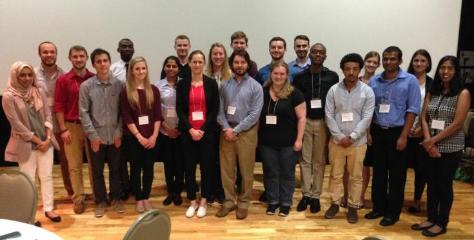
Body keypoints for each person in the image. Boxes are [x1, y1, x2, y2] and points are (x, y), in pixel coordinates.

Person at [412, 56, 470, 237]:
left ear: (456, 71)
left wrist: (432, 142)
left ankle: (441, 223)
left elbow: (458, 123)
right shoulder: (433, 90)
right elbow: (424, 117)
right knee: (431, 184)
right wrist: (429, 141)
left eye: (449, 68)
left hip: (450, 147)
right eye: (442, 68)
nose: (445, 72)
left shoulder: (463, 93)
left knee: (444, 185)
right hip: (430, 146)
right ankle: (431, 218)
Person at [365, 46, 421, 226]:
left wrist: (404, 136)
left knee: (397, 175)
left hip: (398, 132)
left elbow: (412, 109)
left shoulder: (410, 81)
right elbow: (369, 108)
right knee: (379, 172)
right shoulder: (374, 81)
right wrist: (368, 132)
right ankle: (378, 207)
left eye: (393, 59)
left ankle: (393, 212)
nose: (389, 62)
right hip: (377, 131)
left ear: (400, 60)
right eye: (386, 59)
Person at [2, 61, 61, 223]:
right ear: (15, 76)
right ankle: (29, 214)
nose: (27, 78)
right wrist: (37, 141)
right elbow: (17, 125)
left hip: (45, 142)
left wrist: (48, 139)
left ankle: (49, 209)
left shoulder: (38, 91)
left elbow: (48, 115)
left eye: (29, 75)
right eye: (23, 75)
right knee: (28, 180)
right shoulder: (9, 96)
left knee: (47, 176)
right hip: (26, 144)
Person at [324, 53, 375, 223]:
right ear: (343, 70)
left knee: (356, 176)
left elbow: (367, 117)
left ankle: (353, 206)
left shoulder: (367, 92)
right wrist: (339, 137)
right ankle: (335, 203)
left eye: (354, 69)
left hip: (357, 143)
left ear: (359, 70)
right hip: (337, 143)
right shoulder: (333, 90)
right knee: (335, 175)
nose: (351, 72)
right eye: (347, 69)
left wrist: (352, 137)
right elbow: (329, 115)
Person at [216, 50, 263, 220]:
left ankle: (243, 203)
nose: (239, 65)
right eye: (236, 62)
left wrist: (235, 131)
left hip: (246, 134)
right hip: (226, 132)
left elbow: (254, 114)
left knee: (246, 171)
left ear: (247, 64)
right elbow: (219, 111)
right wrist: (227, 129)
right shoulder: (225, 85)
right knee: (227, 171)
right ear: (231, 64)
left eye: (243, 62)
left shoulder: (256, 87)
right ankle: (229, 201)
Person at [293, 43, 339, 214]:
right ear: (310, 54)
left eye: (321, 52)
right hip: (305, 121)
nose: (317, 54)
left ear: (325, 56)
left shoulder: (332, 76)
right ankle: (305, 194)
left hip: (323, 122)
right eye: (315, 51)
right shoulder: (299, 77)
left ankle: (316, 196)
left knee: (319, 161)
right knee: (305, 160)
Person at [79, 48, 124, 217]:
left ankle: (116, 198)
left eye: (105, 60)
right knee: (97, 172)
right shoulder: (86, 86)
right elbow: (83, 113)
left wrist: (119, 132)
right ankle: (101, 201)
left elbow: (123, 112)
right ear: (93, 64)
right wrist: (93, 136)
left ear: (110, 62)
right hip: (96, 137)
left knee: (116, 169)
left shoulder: (120, 85)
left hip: (115, 136)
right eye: (99, 61)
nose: (102, 64)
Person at [259, 62, 306, 217]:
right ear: (270, 74)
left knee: (287, 173)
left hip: (288, 142)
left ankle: (285, 203)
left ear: (287, 76)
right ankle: (273, 201)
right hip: (267, 142)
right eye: (276, 73)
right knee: (270, 172)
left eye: (282, 74)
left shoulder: (295, 93)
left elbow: (301, 118)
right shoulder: (263, 92)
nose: (278, 77)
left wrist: (299, 140)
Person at [176, 50, 219, 218]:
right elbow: (179, 109)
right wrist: (190, 129)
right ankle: (192, 200)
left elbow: (214, 109)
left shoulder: (211, 83)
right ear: (190, 64)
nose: (197, 65)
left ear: (204, 64)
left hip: (206, 133)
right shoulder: (182, 84)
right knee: (189, 167)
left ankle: (204, 201)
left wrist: (202, 130)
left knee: (207, 168)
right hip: (188, 133)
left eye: (200, 62)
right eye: (194, 62)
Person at [54, 45, 95, 214]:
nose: (78, 59)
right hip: (72, 126)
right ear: (70, 58)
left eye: (81, 56)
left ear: (86, 58)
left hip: (92, 126)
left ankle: (97, 195)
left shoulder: (93, 78)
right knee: (74, 165)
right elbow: (59, 106)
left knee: (95, 165)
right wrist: (63, 129)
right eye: (75, 56)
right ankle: (78, 198)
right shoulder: (63, 80)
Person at [120, 56, 162, 213]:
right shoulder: (126, 92)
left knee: (149, 169)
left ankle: (146, 196)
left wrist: (154, 136)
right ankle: (138, 198)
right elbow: (127, 118)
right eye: (137, 68)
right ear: (131, 71)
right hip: (133, 138)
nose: (141, 71)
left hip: (151, 138)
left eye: (143, 68)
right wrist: (139, 137)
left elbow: (158, 116)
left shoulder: (154, 91)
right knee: (136, 168)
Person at [341, 51, 380, 209]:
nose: (371, 64)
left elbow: (369, 113)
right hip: (354, 130)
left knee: (364, 167)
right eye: (369, 61)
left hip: (371, 129)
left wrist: (368, 132)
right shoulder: (355, 80)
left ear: (378, 65)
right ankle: (345, 194)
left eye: (374, 62)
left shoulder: (379, 81)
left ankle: (360, 196)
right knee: (347, 167)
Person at [34, 41, 73, 197]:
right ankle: (43, 195)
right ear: (40, 54)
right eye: (45, 52)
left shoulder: (63, 74)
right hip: (40, 125)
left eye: (52, 52)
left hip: (60, 124)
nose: (49, 55)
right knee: (42, 164)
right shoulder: (33, 74)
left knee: (66, 162)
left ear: (56, 54)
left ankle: (71, 192)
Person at [153, 56, 184, 206]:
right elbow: (155, 111)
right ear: (164, 68)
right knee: (168, 163)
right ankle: (170, 191)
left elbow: (187, 108)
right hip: (165, 132)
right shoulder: (157, 86)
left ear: (178, 68)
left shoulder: (184, 84)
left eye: (174, 66)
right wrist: (167, 128)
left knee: (180, 163)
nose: (171, 68)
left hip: (181, 132)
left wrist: (180, 128)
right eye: (168, 66)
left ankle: (178, 192)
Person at [406, 49, 433, 213]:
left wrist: (422, 129)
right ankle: (394, 198)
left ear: (428, 63)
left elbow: (431, 109)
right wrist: (407, 127)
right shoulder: (405, 80)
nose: (419, 63)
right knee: (399, 167)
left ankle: (417, 200)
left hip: (422, 131)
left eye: (423, 61)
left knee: (421, 168)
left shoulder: (432, 83)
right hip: (404, 129)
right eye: (416, 60)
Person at [205, 42, 231, 204]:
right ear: (210, 56)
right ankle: (211, 190)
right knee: (210, 158)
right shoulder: (205, 74)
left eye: (221, 54)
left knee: (224, 160)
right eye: (215, 54)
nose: (218, 57)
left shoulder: (231, 74)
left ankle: (222, 191)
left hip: (226, 123)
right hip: (209, 123)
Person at [110, 38, 135, 200]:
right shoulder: (113, 69)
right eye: (124, 47)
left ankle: (134, 187)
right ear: (118, 50)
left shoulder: (138, 67)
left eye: (130, 47)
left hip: (136, 117)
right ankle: (123, 187)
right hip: (118, 117)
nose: (127, 49)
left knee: (134, 156)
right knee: (120, 157)